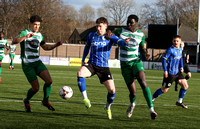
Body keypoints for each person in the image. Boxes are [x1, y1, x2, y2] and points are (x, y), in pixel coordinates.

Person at [77, 17, 129, 120]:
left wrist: (125, 42)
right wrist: (83, 60)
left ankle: (107, 107)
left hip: (104, 68)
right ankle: (85, 99)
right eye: (97, 26)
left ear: (106, 26)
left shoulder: (109, 36)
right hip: (92, 64)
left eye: (100, 26)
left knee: (112, 90)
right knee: (80, 73)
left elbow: (119, 42)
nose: (98, 28)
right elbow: (87, 47)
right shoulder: (91, 35)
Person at [12, 15, 62, 112]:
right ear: (31, 24)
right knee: (35, 88)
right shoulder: (24, 32)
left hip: (37, 63)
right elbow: (14, 41)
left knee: (49, 81)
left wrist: (55, 45)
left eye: (38, 25)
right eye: (35, 24)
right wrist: (25, 37)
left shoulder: (39, 35)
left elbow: (45, 47)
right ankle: (27, 100)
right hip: (27, 65)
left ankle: (45, 101)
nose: (37, 27)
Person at [111, 14, 157, 120]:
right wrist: (110, 33)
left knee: (142, 81)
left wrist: (145, 53)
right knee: (133, 92)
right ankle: (132, 104)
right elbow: (111, 36)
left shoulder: (140, 34)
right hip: (125, 65)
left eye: (131, 22)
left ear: (136, 23)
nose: (129, 24)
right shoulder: (120, 31)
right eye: (127, 22)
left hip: (136, 61)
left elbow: (141, 48)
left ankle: (152, 110)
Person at [152, 35, 189, 109]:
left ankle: (179, 101)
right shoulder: (170, 49)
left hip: (177, 72)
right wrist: (165, 70)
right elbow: (163, 59)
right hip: (170, 73)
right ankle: (151, 99)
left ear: (180, 42)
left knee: (185, 85)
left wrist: (181, 66)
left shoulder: (180, 49)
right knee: (164, 90)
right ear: (172, 41)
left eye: (177, 41)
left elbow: (181, 58)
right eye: (174, 41)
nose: (175, 42)